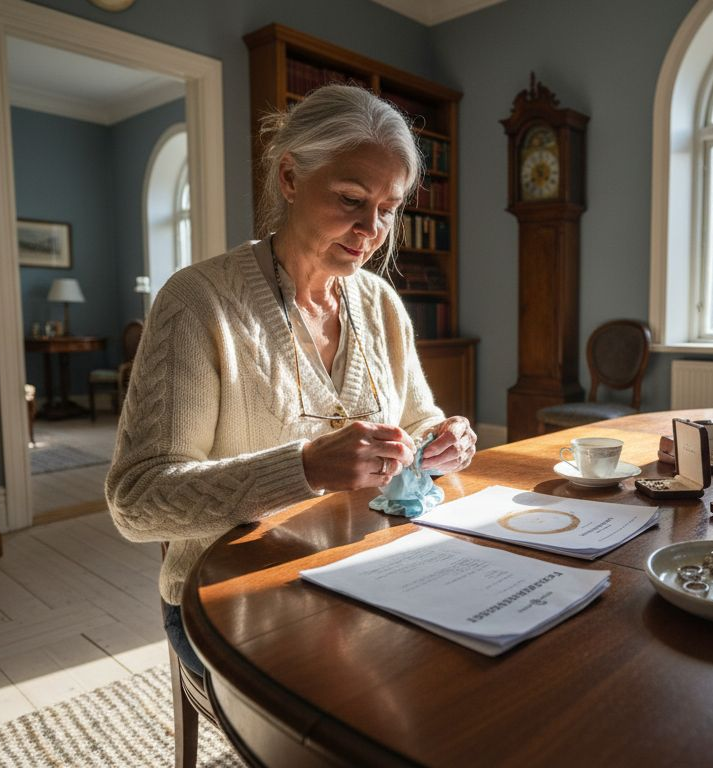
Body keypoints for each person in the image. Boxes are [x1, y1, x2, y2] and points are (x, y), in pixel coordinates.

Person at [105, 84, 477, 679]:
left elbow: (416, 417)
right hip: (232, 599)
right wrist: (303, 469)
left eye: (389, 208)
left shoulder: (379, 302)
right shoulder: (199, 302)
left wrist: (443, 439)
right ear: (288, 178)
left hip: (370, 571)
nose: (370, 229)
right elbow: (138, 504)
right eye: (351, 198)